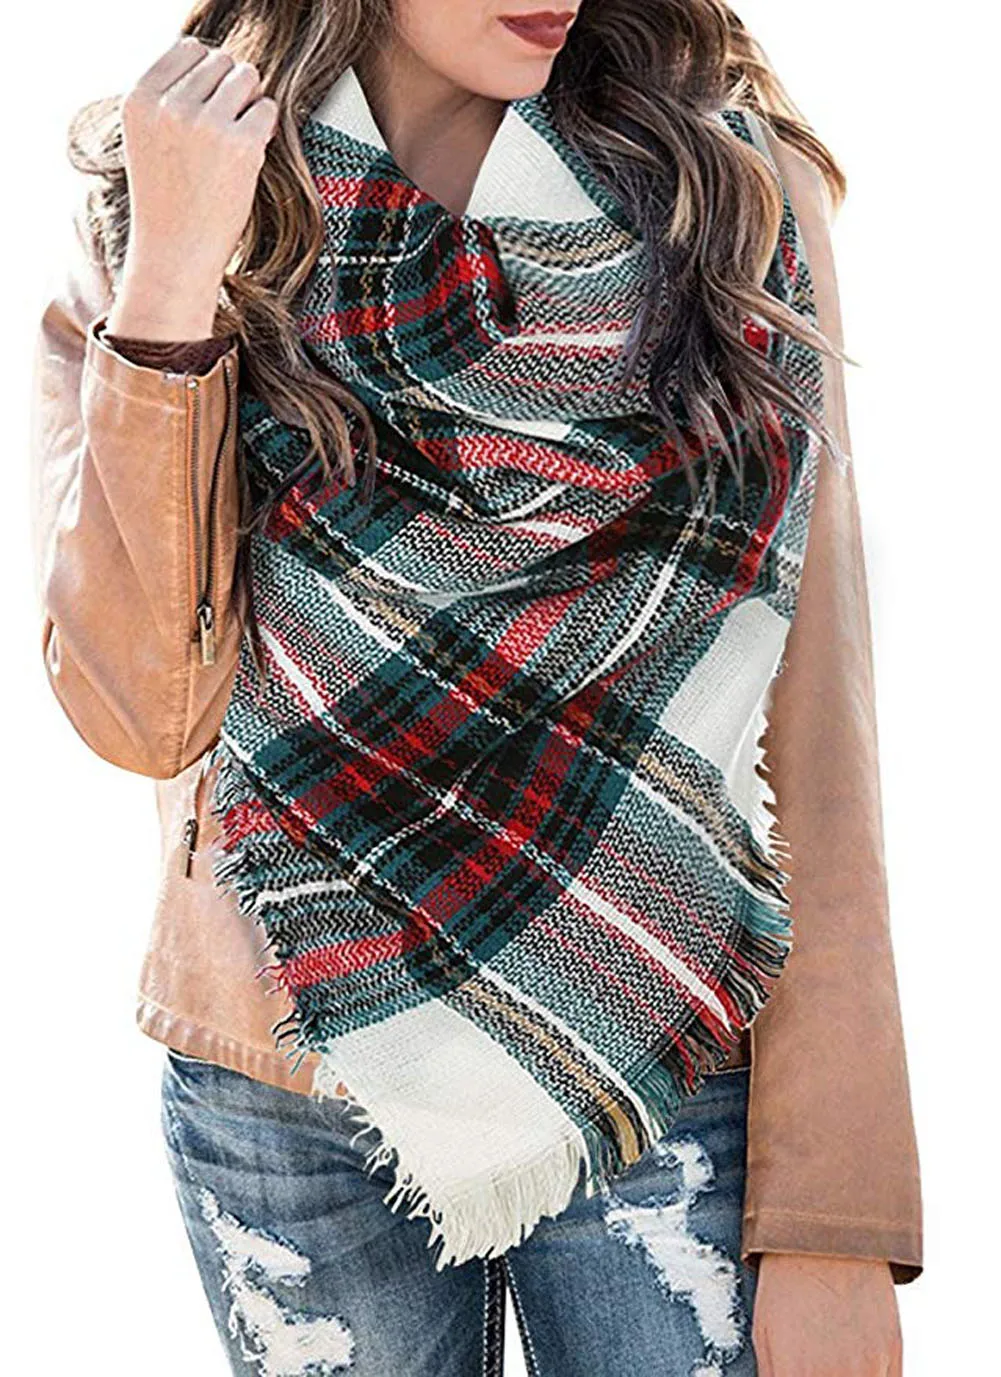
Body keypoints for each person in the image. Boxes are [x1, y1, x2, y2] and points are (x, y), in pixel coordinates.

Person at [31, 2, 922, 1374]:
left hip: (658, 1036)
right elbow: (142, 712)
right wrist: (170, 290)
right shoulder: (162, 188)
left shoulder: (726, 190)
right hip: (287, 1073)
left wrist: (835, 1210)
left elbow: (818, 722)